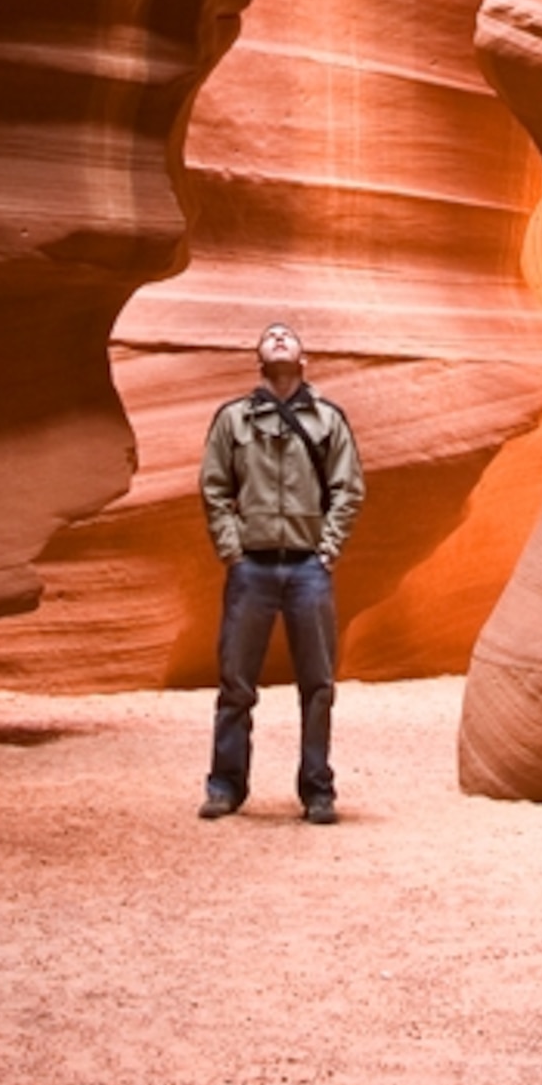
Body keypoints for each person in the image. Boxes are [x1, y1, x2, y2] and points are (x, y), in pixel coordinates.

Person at [196, 320, 364, 824]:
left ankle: (317, 790)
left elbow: (349, 489)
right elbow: (214, 488)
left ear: (303, 357)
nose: (279, 337)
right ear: (259, 360)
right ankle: (225, 786)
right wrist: (233, 552)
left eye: (287, 335)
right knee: (236, 684)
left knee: (317, 684)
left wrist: (327, 550)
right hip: (253, 568)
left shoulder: (328, 421)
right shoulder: (233, 421)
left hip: (308, 568)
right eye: (270, 336)